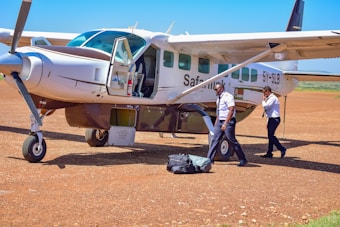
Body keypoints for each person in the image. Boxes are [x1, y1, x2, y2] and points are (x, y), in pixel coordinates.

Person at [207, 83, 248, 166]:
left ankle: (243, 159)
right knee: (215, 140)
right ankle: (209, 159)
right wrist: (216, 123)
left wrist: (225, 123)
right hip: (220, 121)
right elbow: (219, 111)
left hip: (228, 121)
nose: (215, 90)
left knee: (231, 140)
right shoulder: (218, 99)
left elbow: (231, 110)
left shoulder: (228, 97)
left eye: (216, 89)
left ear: (221, 89)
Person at [261, 86, 286, 158]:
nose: (263, 94)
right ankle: (269, 153)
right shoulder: (270, 98)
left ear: (267, 91)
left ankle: (282, 148)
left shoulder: (273, 98)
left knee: (271, 136)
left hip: (274, 119)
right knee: (270, 135)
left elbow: (266, 107)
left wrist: (263, 100)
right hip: (271, 119)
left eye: (264, 92)